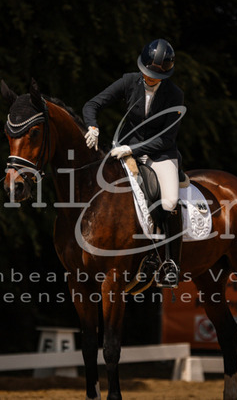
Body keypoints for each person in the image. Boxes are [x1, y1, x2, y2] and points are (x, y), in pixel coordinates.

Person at [82, 38, 184, 288]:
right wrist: (92, 126)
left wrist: (133, 148)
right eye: (147, 74)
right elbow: (93, 104)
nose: (150, 79)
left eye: (156, 77)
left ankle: (170, 262)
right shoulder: (129, 81)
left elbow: (166, 138)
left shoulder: (175, 95)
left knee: (170, 201)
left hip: (161, 154)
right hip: (124, 153)